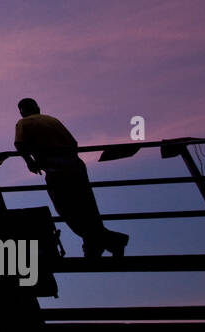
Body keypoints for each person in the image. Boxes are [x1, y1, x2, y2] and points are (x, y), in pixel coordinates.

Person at [14, 98, 128, 258]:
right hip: (76, 167)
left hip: (57, 171)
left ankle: (112, 241)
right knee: (87, 208)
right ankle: (96, 245)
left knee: (67, 210)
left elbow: (19, 144)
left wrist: (30, 162)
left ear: (22, 111)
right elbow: (74, 143)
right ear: (38, 108)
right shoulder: (52, 120)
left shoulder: (23, 123)